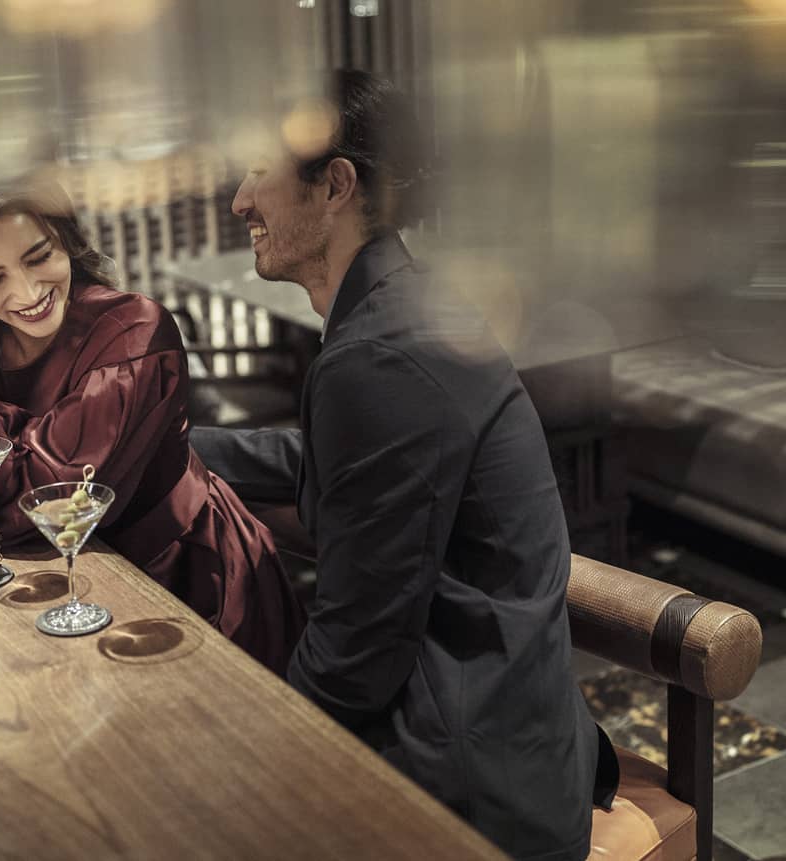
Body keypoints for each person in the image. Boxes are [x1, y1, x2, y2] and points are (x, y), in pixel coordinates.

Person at [193, 70, 617, 859]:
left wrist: (253, 764)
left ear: (336, 186)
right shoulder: (398, 306)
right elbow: (349, 468)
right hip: (502, 731)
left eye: (258, 172)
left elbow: (355, 656)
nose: (239, 202)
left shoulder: (379, 355)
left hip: (471, 789)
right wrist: (177, 446)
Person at [0, 173, 305, 673]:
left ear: (65, 239)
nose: (27, 292)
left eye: (39, 257)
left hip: (179, 588)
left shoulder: (133, 333)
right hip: (37, 599)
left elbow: (37, 509)